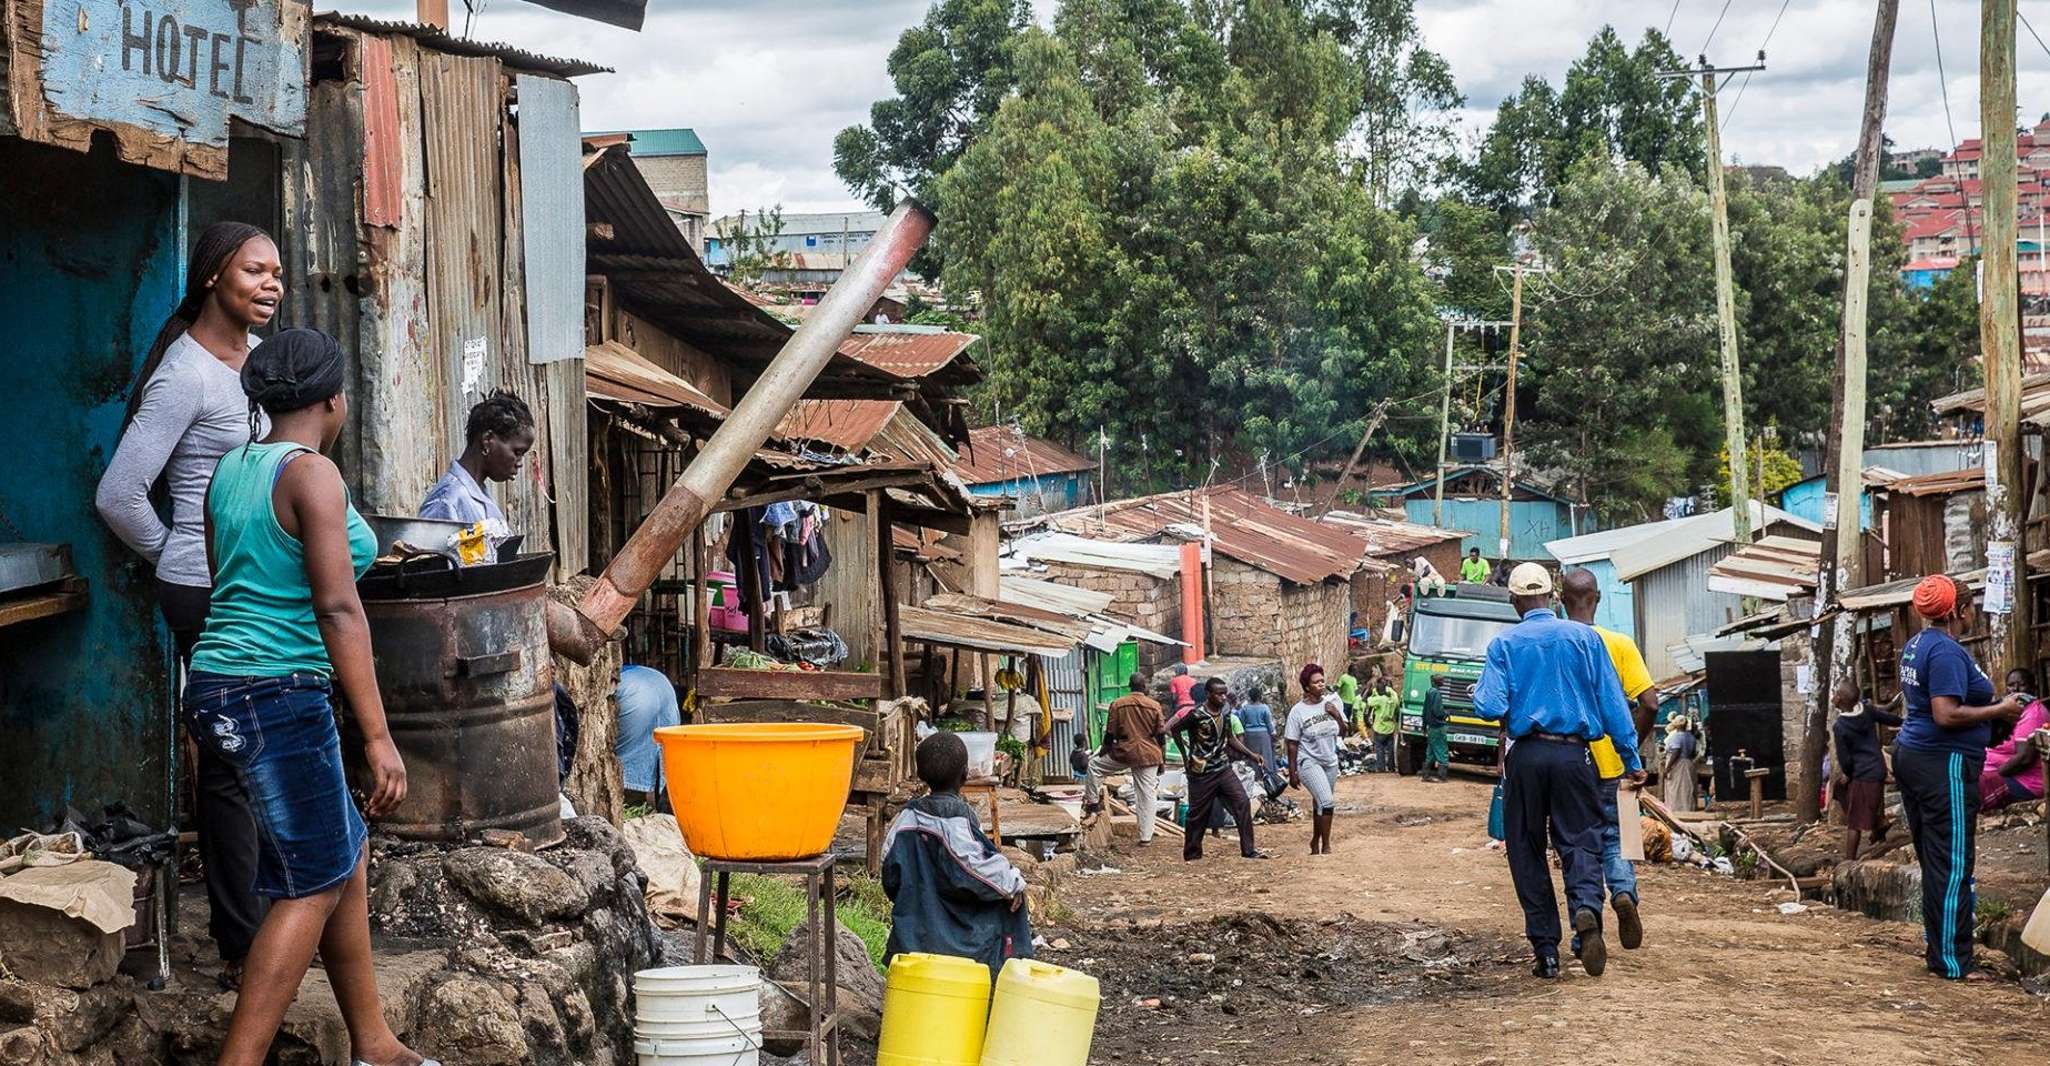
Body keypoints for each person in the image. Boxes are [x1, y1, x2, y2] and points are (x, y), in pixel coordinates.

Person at [181, 329, 431, 1066]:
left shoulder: (229, 471)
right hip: (277, 691)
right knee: (312, 883)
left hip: (219, 684)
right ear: (333, 400)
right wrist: (379, 736)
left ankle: (373, 1041)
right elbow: (338, 608)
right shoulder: (313, 477)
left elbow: (237, 576)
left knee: (341, 851)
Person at [95, 222, 281, 986]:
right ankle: (242, 946)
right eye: (254, 272)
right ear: (212, 276)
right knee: (232, 767)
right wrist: (179, 549)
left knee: (262, 754)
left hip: (250, 584)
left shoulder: (257, 362)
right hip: (204, 590)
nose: (271, 285)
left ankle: (266, 924)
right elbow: (118, 494)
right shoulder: (186, 374)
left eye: (277, 274)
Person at [1472, 563, 1641, 980]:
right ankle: (1586, 910)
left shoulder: (1504, 645)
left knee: (1527, 849)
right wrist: (1631, 760)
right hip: (1575, 757)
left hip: (1526, 756)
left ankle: (1546, 951)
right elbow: (1614, 706)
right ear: (1551, 596)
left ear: (1515, 602)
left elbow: (1489, 706)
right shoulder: (1586, 639)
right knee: (1582, 841)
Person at [1893, 574, 2024, 981]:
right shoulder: (1946, 652)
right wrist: (2000, 710)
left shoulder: (1916, 645)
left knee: (1937, 860)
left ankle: (1943, 950)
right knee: (1952, 863)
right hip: (1942, 761)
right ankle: (1953, 962)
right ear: (1957, 611)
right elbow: (1945, 713)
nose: (1972, 616)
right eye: (1969, 610)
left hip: (1915, 755)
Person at [1560, 568, 1661, 952]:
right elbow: (1650, 702)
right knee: (1618, 838)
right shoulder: (1619, 644)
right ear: (1598, 599)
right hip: (1616, 766)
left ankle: (1585, 921)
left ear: (1561, 599)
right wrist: (1632, 745)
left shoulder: (1559, 643)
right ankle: (1623, 893)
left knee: (1577, 844)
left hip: (1571, 763)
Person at [882, 732, 1033, 982]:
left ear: (920, 776)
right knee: (1013, 896)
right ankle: (1004, 982)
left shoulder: (904, 819)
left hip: (913, 933)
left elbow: (890, 878)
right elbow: (976, 868)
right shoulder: (954, 819)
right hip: (958, 940)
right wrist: (1014, 882)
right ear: (965, 774)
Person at [417, 390, 535, 546]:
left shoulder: (481, 497)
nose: (519, 462)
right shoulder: (446, 501)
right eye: (517, 452)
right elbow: (427, 566)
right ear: (487, 440)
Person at [1172, 677, 1272, 861]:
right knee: (1197, 814)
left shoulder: (1226, 712)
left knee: (1242, 802)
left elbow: (1231, 738)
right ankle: (1192, 854)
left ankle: (1249, 850)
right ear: (1209, 695)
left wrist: (1251, 754)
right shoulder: (1196, 715)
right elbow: (1175, 729)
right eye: (1219, 694)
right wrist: (1186, 756)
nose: (1223, 697)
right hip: (1201, 772)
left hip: (1223, 768)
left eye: (1224, 693)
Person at [1083, 674, 1169, 845]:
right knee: (1146, 795)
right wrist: (1162, 760)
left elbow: (1109, 734)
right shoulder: (1154, 705)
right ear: (1144, 687)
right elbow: (1161, 736)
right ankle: (1146, 837)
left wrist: (1103, 752)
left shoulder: (1118, 704)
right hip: (1149, 755)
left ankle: (1092, 804)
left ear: (1129, 686)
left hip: (1124, 752)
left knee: (1094, 767)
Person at [1830, 678, 1902, 859]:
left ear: (1839, 699)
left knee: (1854, 823)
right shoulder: (1866, 711)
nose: (1833, 696)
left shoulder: (1841, 726)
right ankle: (1879, 824)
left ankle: (1849, 861)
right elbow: (1889, 718)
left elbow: (1844, 759)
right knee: (1840, 789)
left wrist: (1849, 774)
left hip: (1863, 773)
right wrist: (1904, 721)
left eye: (1835, 693)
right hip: (1877, 767)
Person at [1285, 665, 1349, 855]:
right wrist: (1292, 771)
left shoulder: (1331, 705)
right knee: (1327, 801)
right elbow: (1292, 743)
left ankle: (1315, 842)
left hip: (1329, 761)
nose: (1321, 685)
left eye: (1322, 680)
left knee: (1320, 803)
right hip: (1308, 761)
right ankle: (1326, 845)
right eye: (1316, 682)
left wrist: (1337, 716)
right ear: (1306, 687)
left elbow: (1344, 733)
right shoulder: (1298, 712)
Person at [615, 666, 682, 810]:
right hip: (662, 685)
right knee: (662, 753)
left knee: (622, 758)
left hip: (633, 694)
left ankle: (629, 805)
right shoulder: (631, 670)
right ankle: (664, 809)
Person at [1983, 668, 2049, 811]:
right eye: (2011, 685)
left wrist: (1993, 775)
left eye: (2022, 684)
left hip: (2023, 782)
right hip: (1993, 772)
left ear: (2033, 687)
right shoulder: (2007, 710)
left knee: (1972, 790)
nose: (2016, 689)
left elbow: (2024, 758)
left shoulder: (2033, 712)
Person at [1234, 685, 1287, 797]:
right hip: (1263, 735)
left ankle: (1256, 777)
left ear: (1250, 697)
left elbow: (1242, 722)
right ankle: (1268, 777)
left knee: (1252, 757)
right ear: (1260, 696)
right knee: (1266, 755)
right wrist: (1272, 734)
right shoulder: (1264, 708)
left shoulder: (1245, 708)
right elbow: (1269, 723)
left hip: (1249, 735)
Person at [1662, 717, 1700, 813]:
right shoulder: (1691, 737)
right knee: (1687, 787)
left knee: (1677, 789)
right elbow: (1694, 753)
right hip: (1688, 763)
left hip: (1678, 765)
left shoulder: (1676, 736)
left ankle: (1678, 811)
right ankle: (1688, 809)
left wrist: (1668, 767)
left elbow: (1676, 751)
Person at [1420, 676, 1451, 782]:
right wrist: (1445, 714)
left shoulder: (1429, 691)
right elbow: (1437, 711)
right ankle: (1442, 776)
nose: (1444, 681)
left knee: (1430, 751)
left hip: (1431, 727)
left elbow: (1425, 710)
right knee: (1442, 750)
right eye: (1442, 680)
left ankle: (1426, 775)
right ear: (1437, 682)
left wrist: (1424, 725)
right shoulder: (1436, 693)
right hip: (1438, 727)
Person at [1367, 681, 1400, 771]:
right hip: (1390, 726)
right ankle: (1391, 767)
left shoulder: (1380, 699)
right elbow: (1397, 706)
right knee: (1390, 749)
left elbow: (1368, 701)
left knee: (1379, 748)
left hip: (1380, 727)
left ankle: (1381, 767)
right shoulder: (1393, 699)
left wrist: (1370, 691)